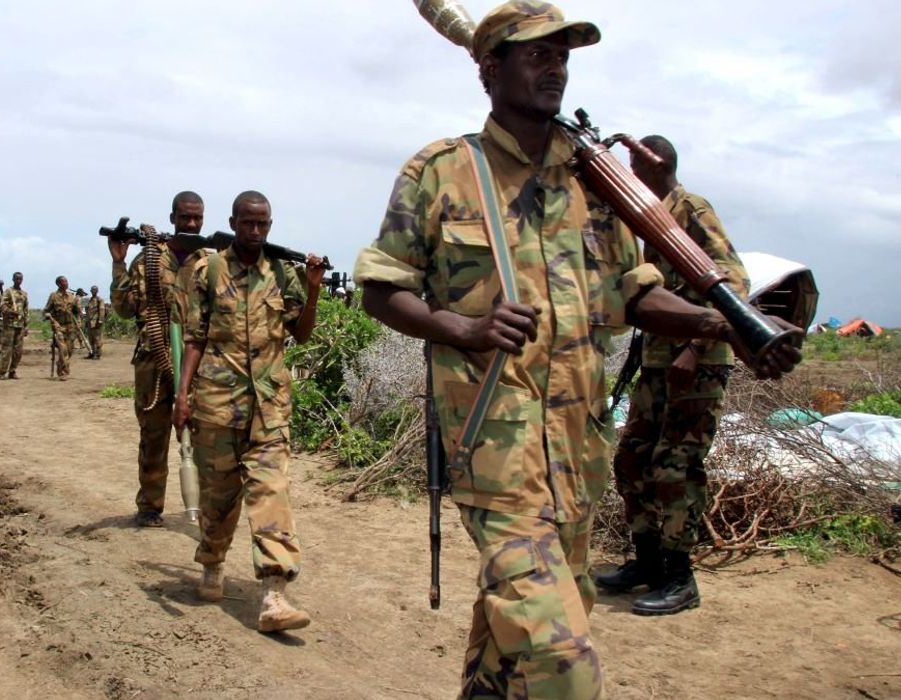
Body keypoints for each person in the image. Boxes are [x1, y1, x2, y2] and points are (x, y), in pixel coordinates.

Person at [352, 3, 800, 697]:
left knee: (516, 635)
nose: (555, 67)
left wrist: (728, 328)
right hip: (493, 454)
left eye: (562, 56)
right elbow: (381, 289)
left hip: (577, 455)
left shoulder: (597, 188)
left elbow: (634, 295)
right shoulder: (442, 172)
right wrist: (463, 329)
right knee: (563, 660)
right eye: (538, 54)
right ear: (490, 68)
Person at [594, 135, 750, 616]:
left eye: (638, 162)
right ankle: (647, 563)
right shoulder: (647, 217)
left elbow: (734, 279)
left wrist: (694, 346)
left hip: (697, 364)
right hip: (658, 362)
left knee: (676, 468)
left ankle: (680, 578)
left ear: (659, 163)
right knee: (632, 461)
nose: (631, 170)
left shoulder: (690, 208)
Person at [173, 190, 327, 633]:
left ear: (270, 225)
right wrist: (182, 397)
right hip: (218, 404)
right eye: (247, 223)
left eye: (262, 224)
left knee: (271, 489)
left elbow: (302, 334)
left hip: (270, 405)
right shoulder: (209, 269)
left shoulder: (285, 273)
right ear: (233, 222)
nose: (255, 232)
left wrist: (312, 291)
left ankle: (274, 594)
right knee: (219, 499)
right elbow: (195, 338)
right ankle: (212, 561)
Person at [109, 190, 206, 527]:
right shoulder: (149, 258)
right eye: (185, 217)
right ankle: (150, 506)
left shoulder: (211, 262)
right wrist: (118, 262)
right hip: (154, 360)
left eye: (197, 218)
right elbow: (122, 309)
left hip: (199, 364)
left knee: (204, 437)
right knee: (153, 436)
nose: (191, 224)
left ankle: (206, 507)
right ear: (172, 218)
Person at [43, 276, 81, 381]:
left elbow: (77, 311)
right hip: (59, 327)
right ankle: (64, 372)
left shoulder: (71, 296)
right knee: (63, 349)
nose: (66, 283)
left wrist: (79, 321)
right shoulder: (54, 296)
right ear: (59, 284)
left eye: (67, 281)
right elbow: (46, 310)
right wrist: (48, 317)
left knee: (69, 350)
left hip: (70, 327)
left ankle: (60, 366)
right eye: (64, 282)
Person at [0, 272, 29, 380]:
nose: (18, 281)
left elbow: (26, 310)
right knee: (7, 349)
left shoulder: (24, 294)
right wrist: (11, 312)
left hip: (20, 325)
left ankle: (12, 370)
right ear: (13, 279)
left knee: (18, 351)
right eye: (16, 279)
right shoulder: (8, 292)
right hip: (9, 324)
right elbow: (2, 305)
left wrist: (26, 325)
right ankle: (2, 372)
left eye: (20, 279)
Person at [84, 285, 106, 359]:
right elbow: (87, 311)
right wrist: (86, 322)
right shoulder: (88, 300)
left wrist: (100, 320)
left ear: (97, 291)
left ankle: (97, 354)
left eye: (95, 290)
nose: (93, 291)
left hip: (96, 322)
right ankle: (92, 352)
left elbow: (102, 310)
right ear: (91, 291)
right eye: (92, 290)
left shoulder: (100, 300)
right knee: (91, 339)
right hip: (90, 322)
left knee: (97, 339)